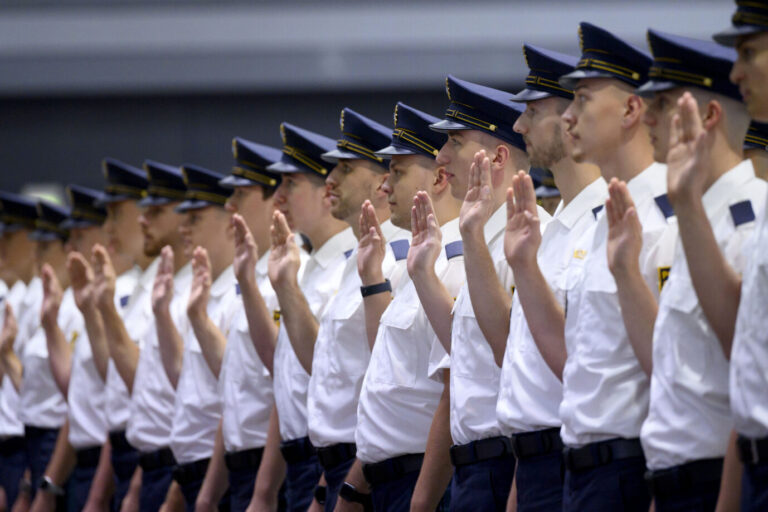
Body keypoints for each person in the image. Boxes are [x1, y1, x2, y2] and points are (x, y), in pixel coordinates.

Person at [607, 30, 765, 511]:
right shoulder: (689, 219)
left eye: (665, 104)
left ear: (709, 115)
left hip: (719, 477)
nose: (649, 117)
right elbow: (672, 369)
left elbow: (745, 366)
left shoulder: (751, 214)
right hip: (674, 478)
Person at [409, 75, 542, 511]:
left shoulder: (529, 241)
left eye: (455, 142)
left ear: (498, 156)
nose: (442, 157)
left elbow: (528, 377)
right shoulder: (480, 240)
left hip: (507, 466)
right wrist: (424, 275)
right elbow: (469, 359)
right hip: (472, 469)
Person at [489, 43, 606, 512]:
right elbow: (527, 371)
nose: (518, 126)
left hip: (583, 457)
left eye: (532, 112)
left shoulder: (607, 221)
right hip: (534, 463)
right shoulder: (549, 229)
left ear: (569, 119)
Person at [350, 102, 463, 512]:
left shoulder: (455, 262)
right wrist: (372, 280)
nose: (384, 188)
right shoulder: (412, 263)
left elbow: (454, 392)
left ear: (437, 178)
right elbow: (390, 375)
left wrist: (420, 502)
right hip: (386, 480)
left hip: (424, 481)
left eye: (396, 173)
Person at [306, 108, 408, 512]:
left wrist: (353, 483)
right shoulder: (356, 261)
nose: (329, 180)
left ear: (383, 181)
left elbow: (390, 386)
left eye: (345, 169)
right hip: (336, 468)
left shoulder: (398, 259)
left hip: (367, 469)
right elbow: (337, 387)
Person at [259, 122, 357, 512]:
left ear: (325, 191)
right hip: (301, 458)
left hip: (333, 459)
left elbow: (343, 386)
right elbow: (284, 381)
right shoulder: (310, 266)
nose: (278, 197)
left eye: (290, 184)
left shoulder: (351, 265)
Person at [194, 137, 286, 512]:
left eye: (241, 194)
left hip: (273, 471)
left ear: (273, 200)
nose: (229, 206)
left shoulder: (286, 278)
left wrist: (263, 492)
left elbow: (285, 388)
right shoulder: (249, 280)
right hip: (237, 467)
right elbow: (232, 394)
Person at [150, 164, 236, 511]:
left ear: (229, 221)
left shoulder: (238, 292)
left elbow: (235, 396)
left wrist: (207, 491)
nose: (183, 228)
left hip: (219, 473)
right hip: (189, 469)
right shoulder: (205, 290)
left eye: (195, 218)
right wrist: (161, 312)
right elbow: (183, 379)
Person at [122, 160, 190, 512]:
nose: (142, 220)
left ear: (185, 217)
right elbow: (150, 398)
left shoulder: (197, 289)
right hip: (149, 464)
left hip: (177, 467)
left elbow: (199, 403)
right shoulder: (164, 286)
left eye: (157, 211)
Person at [3, 201, 70, 510]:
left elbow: (73, 400)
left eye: (45, 247)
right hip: (31, 440)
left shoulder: (67, 307)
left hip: (53, 445)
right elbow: (30, 388)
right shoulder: (36, 301)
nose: (36, 255)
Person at [0, 193, 41, 511]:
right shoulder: (18, 297)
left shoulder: (37, 301)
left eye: (9, 236)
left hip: (23, 445)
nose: (2, 245)